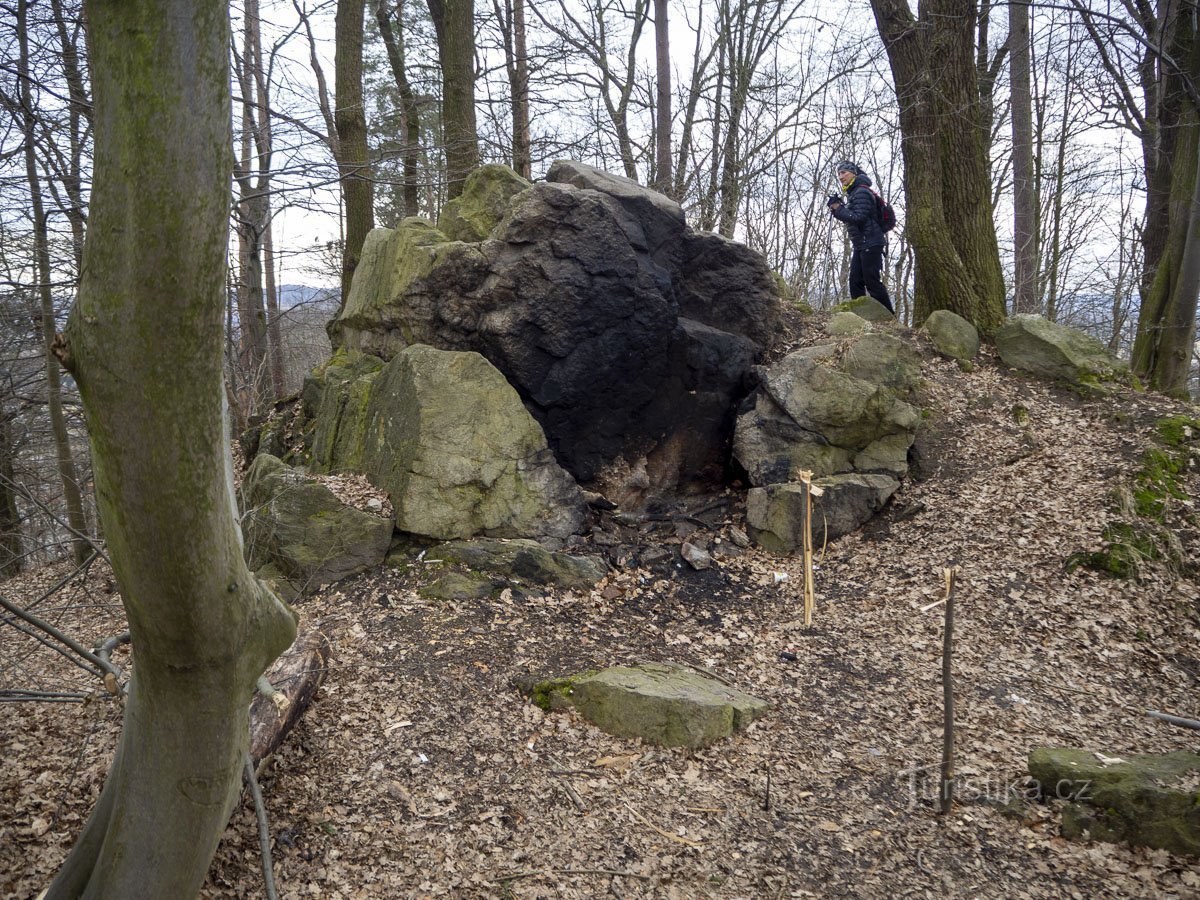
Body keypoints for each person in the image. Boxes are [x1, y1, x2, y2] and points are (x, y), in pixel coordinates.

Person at [827, 161, 893, 313]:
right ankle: (860, 315)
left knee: (872, 282)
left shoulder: (861, 192)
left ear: (853, 174)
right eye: (839, 173)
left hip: (870, 241)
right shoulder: (855, 192)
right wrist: (840, 208)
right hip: (862, 243)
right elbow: (855, 215)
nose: (840, 176)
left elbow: (858, 217)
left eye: (844, 173)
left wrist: (838, 209)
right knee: (855, 281)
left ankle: (888, 316)